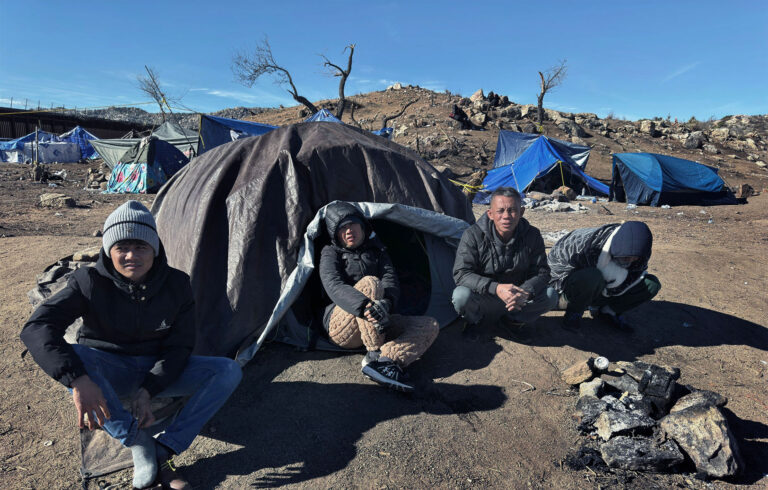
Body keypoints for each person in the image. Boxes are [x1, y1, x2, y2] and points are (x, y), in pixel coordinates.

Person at [20, 201, 242, 489]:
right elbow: (37, 327)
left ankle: (165, 448)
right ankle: (136, 440)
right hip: (108, 366)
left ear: (154, 249)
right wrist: (78, 379)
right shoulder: (88, 281)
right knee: (74, 355)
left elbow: (180, 345)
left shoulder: (177, 284)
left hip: (156, 365)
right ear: (108, 250)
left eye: (141, 247)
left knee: (227, 371)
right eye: (121, 247)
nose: (131, 256)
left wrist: (150, 388)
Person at [319, 201, 439, 393]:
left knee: (430, 325)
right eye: (342, 227)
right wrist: (366, 305)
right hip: (340, 325)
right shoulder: (330, 253)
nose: (348, 230)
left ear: (363, 226)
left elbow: (391, 280)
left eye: (352, 224)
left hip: (377, 322)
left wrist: (387, 302)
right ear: (335, 233)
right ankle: (374, 352)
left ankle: (385, 362)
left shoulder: (378, 250)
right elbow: (333, 285)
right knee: (371, 283)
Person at [452, 187, 558, 335]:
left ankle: (514, 322)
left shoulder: (532, 235)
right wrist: (496, 288)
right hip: (485, 296)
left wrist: (526, 292)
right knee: (461, 295)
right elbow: (461, 274)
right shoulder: (473, 235)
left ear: (521, 212)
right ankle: (475, 321)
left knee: (550, 296)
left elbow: (542, 272)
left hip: (518, 298)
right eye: (500, 211)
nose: (506, 216)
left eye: (512, 210)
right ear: (490, 214)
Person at [547, 221, 661, 331]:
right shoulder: (584, 242)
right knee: (592, 276)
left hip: (602, 289)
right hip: (572, 289)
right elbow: (554, 269)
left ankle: (608, 311)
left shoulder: (640, 254)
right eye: (626, 257)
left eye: (634, 258)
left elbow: (635, 276)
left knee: (651, 284)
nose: (630, 261)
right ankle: (574, 312)